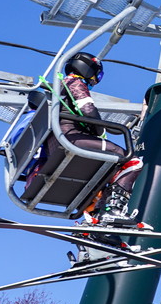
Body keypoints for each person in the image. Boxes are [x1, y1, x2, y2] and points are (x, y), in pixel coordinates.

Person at [27, 52, 143, 224]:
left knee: (102, 176)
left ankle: (95, 217)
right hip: (72, 138)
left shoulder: (58, 88)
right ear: (88, 68)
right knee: (132, 162)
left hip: (58, 143)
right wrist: (98, 127)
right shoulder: (75, 82)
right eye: (97, 75)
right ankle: (113, 209)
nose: (96, 79)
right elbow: (88, 109)